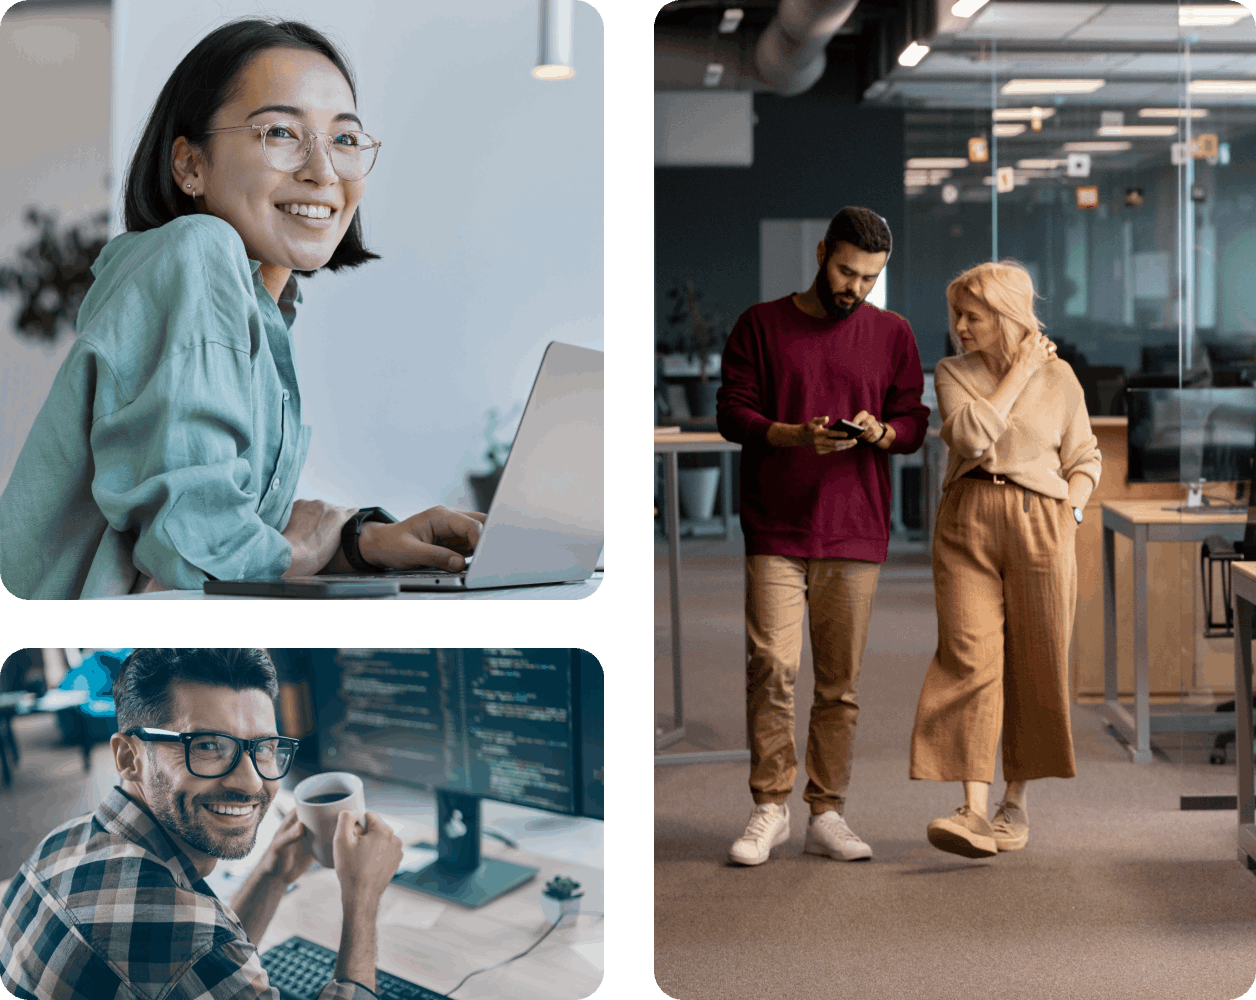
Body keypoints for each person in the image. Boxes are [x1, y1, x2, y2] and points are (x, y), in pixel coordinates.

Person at [0, 17, 484, 598]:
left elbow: (221, 516)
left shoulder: (262, 305)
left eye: (346, 139)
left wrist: (362, 540)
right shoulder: (197, 252)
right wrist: (312, 548)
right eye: (280, 132)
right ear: (190, 166)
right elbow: (198, 546)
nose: (323, 171)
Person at [0, 649, 404, 1000]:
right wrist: (362, 900)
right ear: (128, 757)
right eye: (208, 746)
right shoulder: (185, 938)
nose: (251, 782)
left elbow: (200, 964)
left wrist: (273, 872)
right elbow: (195, 950)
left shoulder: (58, 843)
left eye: (263, 747)